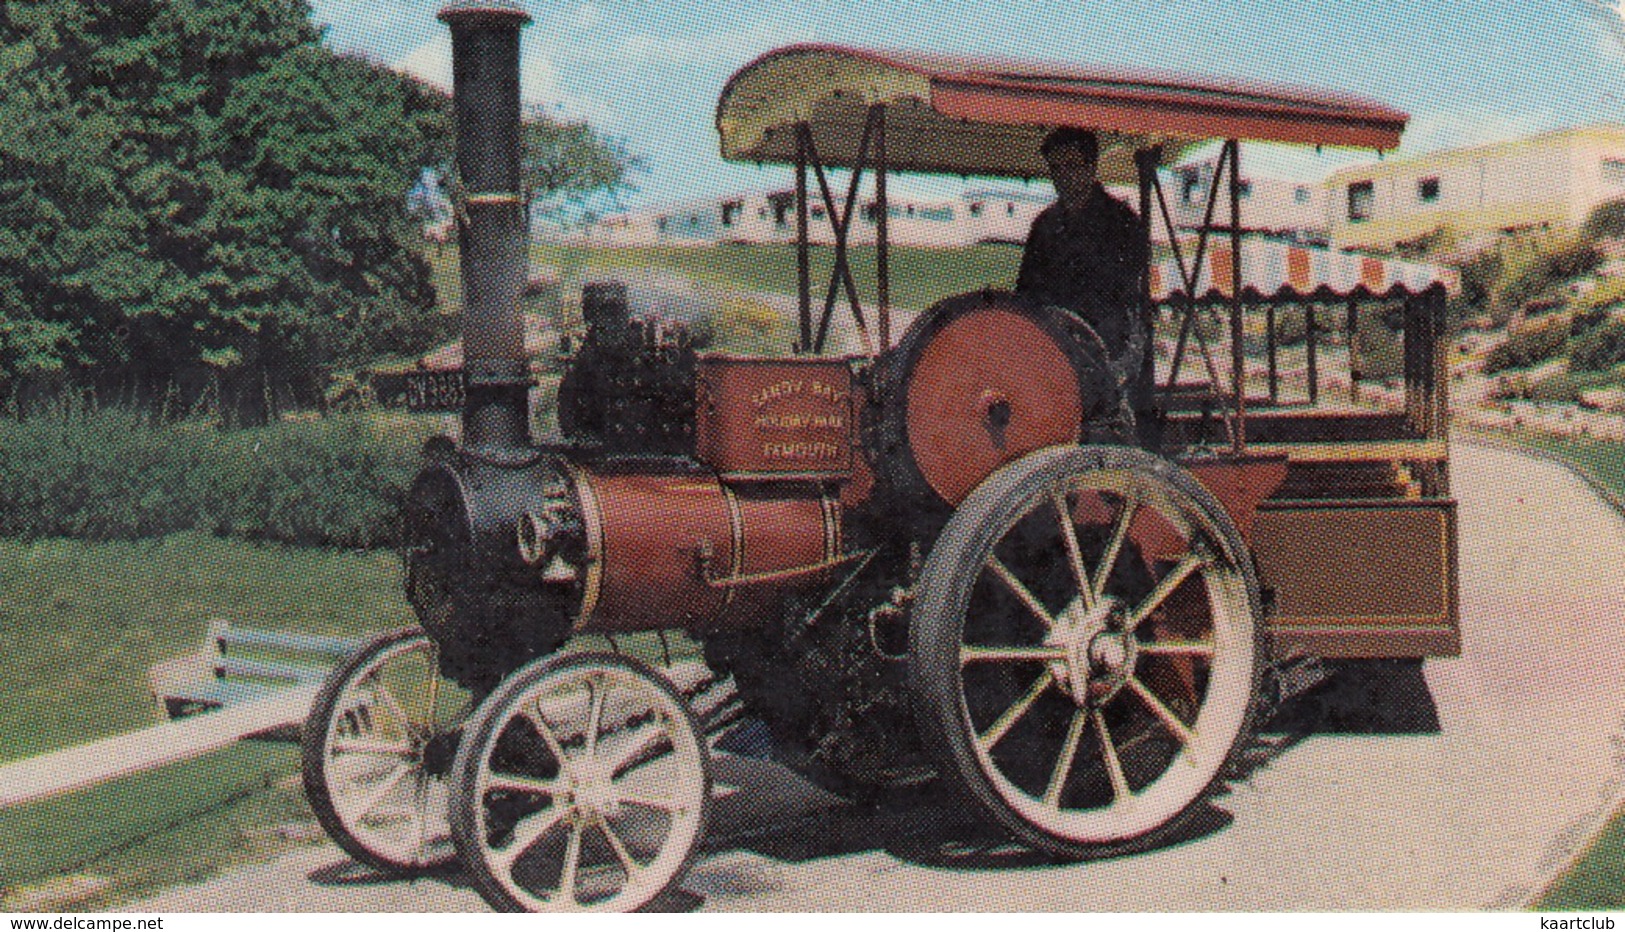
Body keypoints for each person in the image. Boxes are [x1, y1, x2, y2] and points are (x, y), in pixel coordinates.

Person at [1015, 128, 1148, 362]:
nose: (1063, 176)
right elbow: (1026, 292)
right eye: (1056, 168)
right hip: (1053, 348)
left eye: (1071, 165)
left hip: (1108, 351)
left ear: (1091, 167)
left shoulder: (1122, 221)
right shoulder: (1044, 225)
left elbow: (1122, 289)